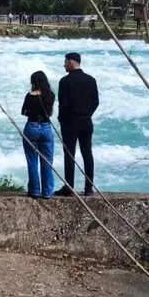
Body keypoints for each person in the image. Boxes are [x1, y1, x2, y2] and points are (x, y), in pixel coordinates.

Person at [56, 53, 100, 197]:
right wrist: (87, 114)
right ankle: (89, 188)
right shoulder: (91, 80)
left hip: (70, 122)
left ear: (71, 62)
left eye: (65, 63)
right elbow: (95, 102)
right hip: (86, 121)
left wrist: (62, 119)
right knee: (87, 153)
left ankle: (69, 187)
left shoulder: (65, 81)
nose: (64, 65)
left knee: (69, 154)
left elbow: (63, 105)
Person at [21, 71, 56, 199]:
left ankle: (34, 190)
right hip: (46, 127)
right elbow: (50, 113)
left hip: (31, 126)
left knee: (32, 160)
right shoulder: (50, 95)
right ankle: (47, 192)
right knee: (47, 161)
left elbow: (24, 112)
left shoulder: (29, 96)